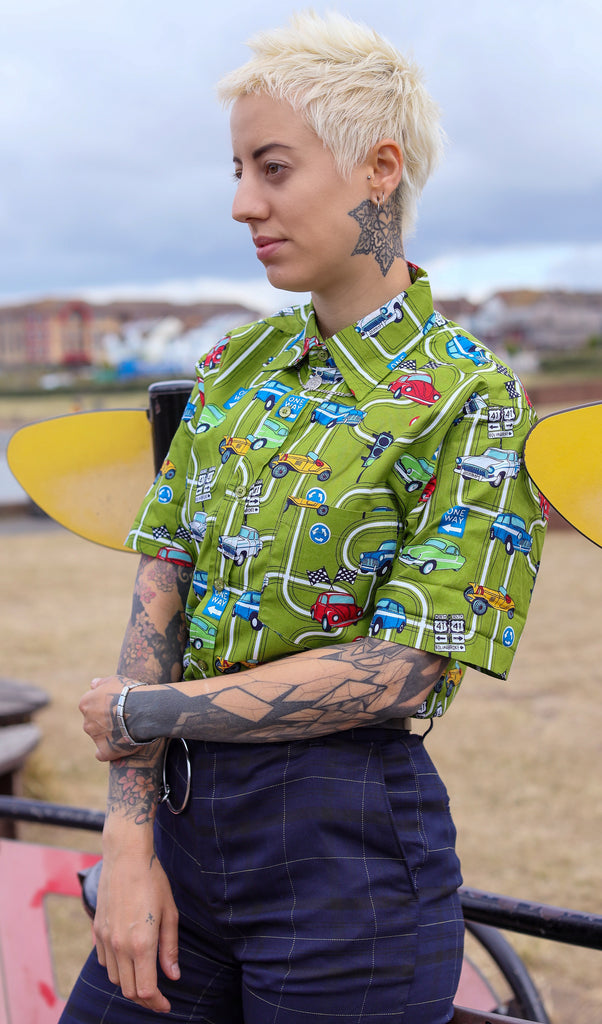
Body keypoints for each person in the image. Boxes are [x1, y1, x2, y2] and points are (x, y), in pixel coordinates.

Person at [61, 11, 547, 1023]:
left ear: (377, 169)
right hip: (179, 846)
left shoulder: (469, 397)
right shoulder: (230, 371)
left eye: (272, 168)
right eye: (237, 169)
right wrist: (128, 841)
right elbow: (163, 594)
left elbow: (405, 664)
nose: (242, 204)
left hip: (349, 873)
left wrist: (140, 715)